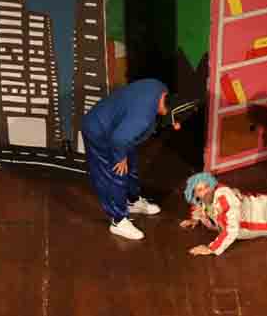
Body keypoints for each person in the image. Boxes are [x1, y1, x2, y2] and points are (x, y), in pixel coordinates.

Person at [81, 78, 199, 240]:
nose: (177, 126)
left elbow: (126, 132)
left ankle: (132, 200)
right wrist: (120, 157)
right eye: (175, 120)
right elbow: (119, 140)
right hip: (99, 130)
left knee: (131, 165)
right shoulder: (142, 118)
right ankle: (118, 220)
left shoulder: (160, 89)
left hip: (120, 127)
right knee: (116, 173)